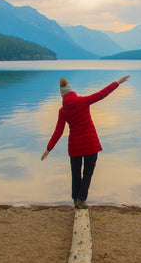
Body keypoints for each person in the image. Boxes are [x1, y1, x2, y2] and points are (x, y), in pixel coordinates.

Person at [41, 75, 130, 209]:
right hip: (90, 145)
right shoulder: (83, 101)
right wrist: (116, 83)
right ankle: (81, 199)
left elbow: (58, 132)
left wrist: (48, 149)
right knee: (87, 173)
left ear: (63, 97)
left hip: (75, 147)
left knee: (75, 173)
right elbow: (101, 95)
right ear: (72, 92)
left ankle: (76, 198)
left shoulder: (63, 111)